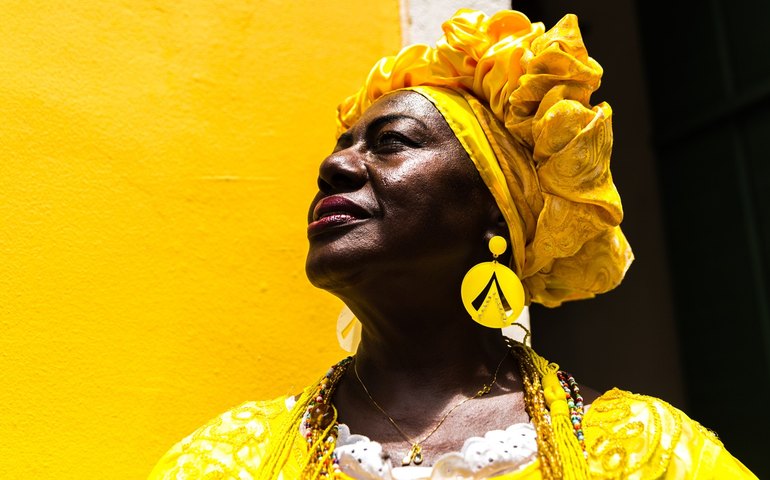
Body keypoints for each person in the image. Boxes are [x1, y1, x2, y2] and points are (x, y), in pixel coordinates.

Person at [149, 9, 756, 480]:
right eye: (340, 145)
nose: (334, 167)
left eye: (391, 142)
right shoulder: (227, 458)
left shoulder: (642, 450)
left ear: (496, 211)